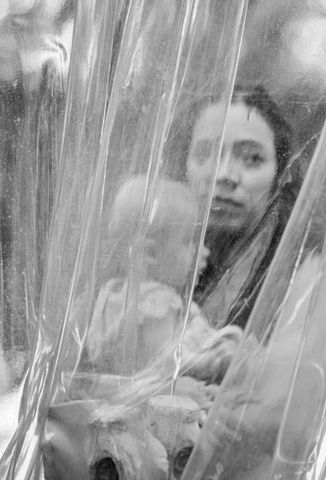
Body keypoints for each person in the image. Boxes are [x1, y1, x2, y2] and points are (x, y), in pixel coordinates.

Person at [82, 175, 242, 389]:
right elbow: (165, 361)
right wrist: (208, 364)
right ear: (150, 252)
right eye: (189, 241)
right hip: (153, 392)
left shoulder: (111, 291)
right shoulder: (157, 301)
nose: (204, 252)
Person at [169, 85, 296, 330]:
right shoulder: (148, 262)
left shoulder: (302, 275)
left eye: (251, 158)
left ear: (280, 176)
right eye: (206, 153)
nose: (224, 174)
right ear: (183, 166)